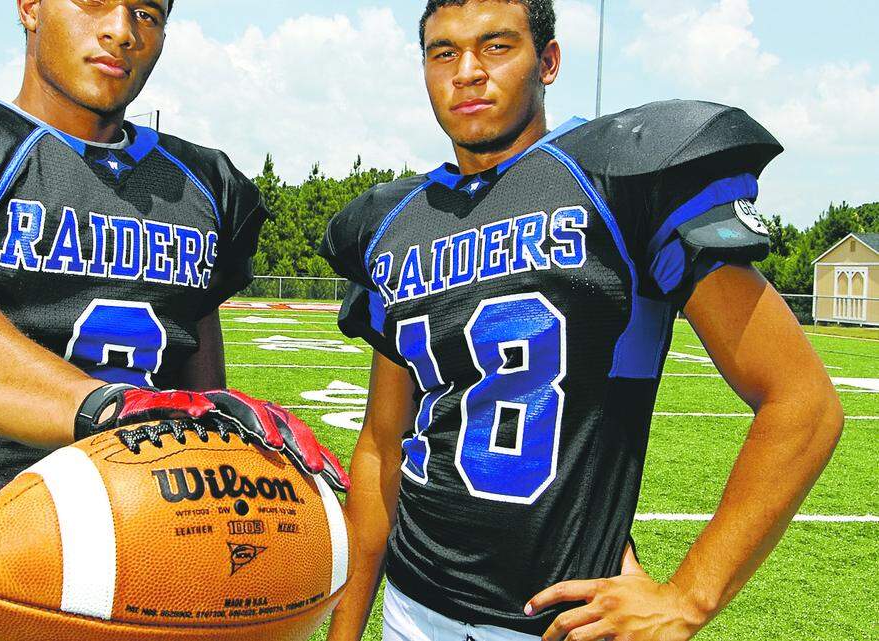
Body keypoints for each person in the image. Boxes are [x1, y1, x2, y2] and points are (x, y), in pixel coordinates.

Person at [0, 1, 347, 639]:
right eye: (93, 1)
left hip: (151, 576)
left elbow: (198, 379)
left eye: (147, 12)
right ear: (29, 6)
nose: (120, 30)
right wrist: (105, 407)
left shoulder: (208, 184)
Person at [319, 1, 842, 640]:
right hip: (411, 603)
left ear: (549, 60)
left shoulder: (615, 177)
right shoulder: (393, 223)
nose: (469, 72)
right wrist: (346, 630)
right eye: (444, 52)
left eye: (497, 46)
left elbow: (802, 402)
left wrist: (689, 597)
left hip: (558, 620)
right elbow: (380, 442)